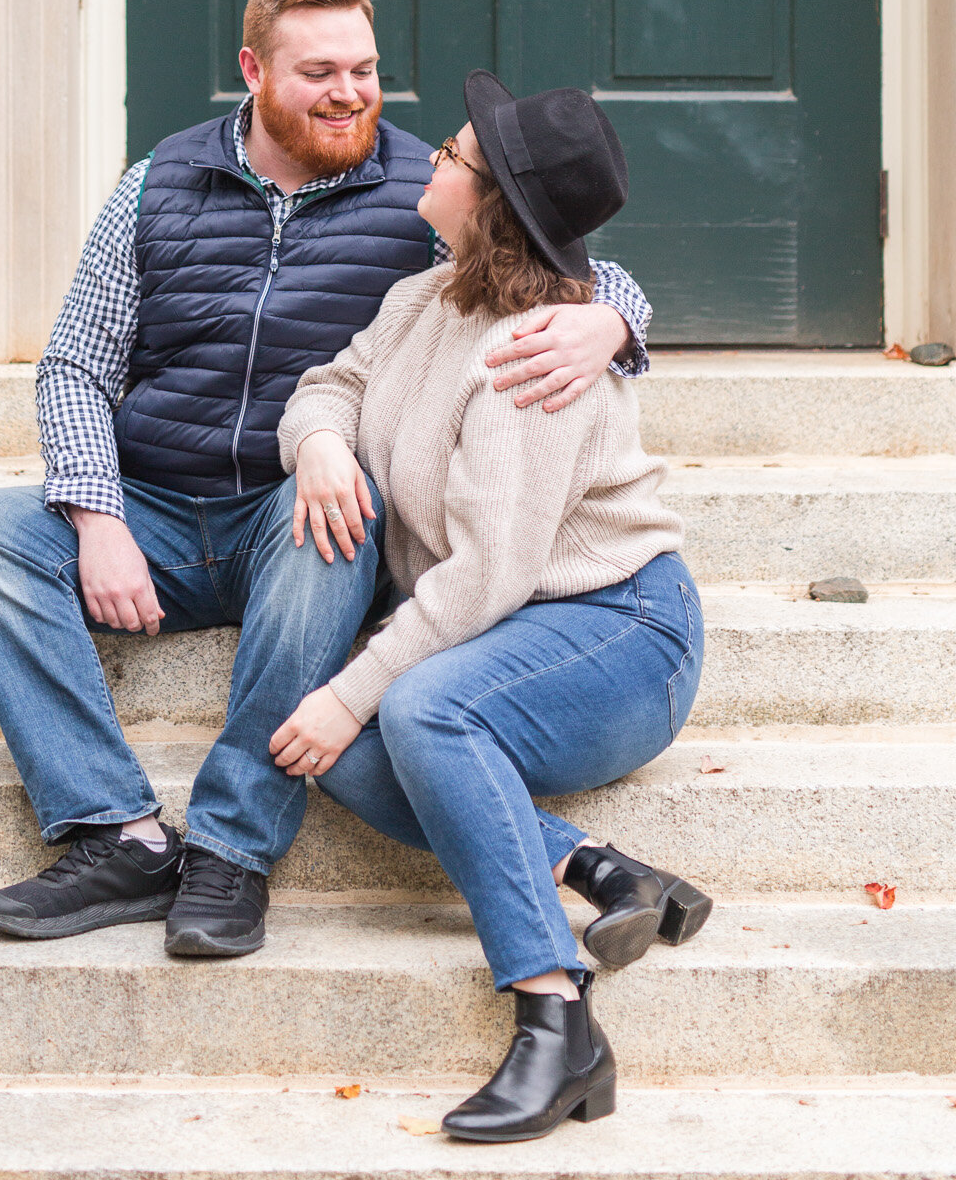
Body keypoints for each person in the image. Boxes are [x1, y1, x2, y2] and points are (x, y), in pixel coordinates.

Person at [0, 0, 654, 959]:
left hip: (294, 512)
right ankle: (116, 832)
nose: (350, 92)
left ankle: (230, 850)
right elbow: (74, 364)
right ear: (254, 71)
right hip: (152, 505)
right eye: (319, 71)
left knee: (338, 532)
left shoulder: (422, 189)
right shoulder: (159, 183)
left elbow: (557, 252)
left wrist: (612, 314)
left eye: (364, 69)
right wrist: (97, 517)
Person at [268, 73, 709, 1144]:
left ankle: (556, 1014)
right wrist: (321, 438)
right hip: (501, 626)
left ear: (497, 200)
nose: (433, 157)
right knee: (328, 744)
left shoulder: (535, 358)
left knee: (415, 713)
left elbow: (483, 577)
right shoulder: (422, 299)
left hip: (619, 629)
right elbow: (330, 381)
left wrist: (353, 687)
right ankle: (594, 867)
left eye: (456, 154)